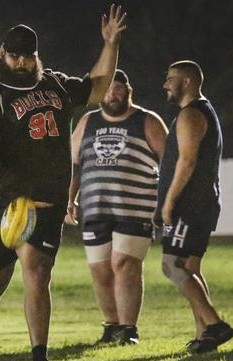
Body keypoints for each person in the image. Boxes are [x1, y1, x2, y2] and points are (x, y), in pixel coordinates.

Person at [0, 6, 126, 361]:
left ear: (37, 56)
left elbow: (97, 88)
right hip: (0, 199)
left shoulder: (54, 84)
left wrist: (111, 43)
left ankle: (40, 356)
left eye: (28, 56)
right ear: (3, 55)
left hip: (45, 198)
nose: (21, 62)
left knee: (37, 269)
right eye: (14, 55)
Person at [66, 69, 167, 345]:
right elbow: (73, 165)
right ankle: (112, 327)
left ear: (128, 91)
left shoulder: (147, 121)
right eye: (108, 89)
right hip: (95, 208)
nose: (112, 94)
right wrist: (69, 199)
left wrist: (167, 202)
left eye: (118, 88)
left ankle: (129, 329)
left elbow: (169, 164)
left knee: (124, 264)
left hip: (135, 208)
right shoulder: (87, 122)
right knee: (100, 270)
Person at [155, 60, 233, 354]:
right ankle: (206, 336)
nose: (165, 84)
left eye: (170, 78)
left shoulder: (191, 114)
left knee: (172, 265)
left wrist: (169, 201)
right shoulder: (204, 110)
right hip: (203, 202)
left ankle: (215, 325)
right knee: (190, 268)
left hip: (189, 204)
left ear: (187, 82)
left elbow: (186, 161)